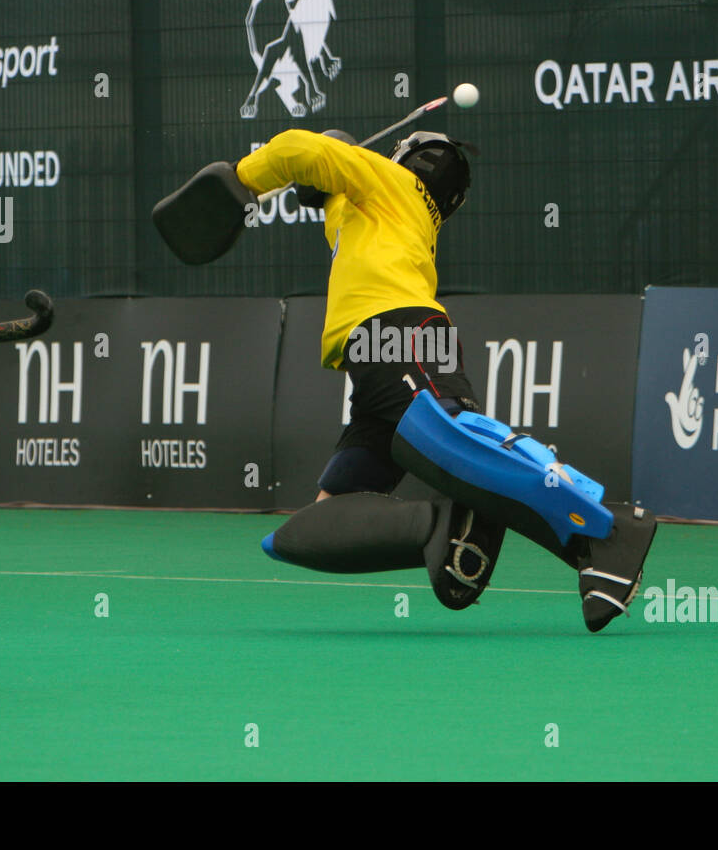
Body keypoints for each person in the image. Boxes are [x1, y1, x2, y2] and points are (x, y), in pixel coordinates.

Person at [235, 128, 654, 630]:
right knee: (316, 525)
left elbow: (300, 150)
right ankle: (442, 525)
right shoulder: (387, 208)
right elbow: (334, 201)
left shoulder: (389, 183)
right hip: (373, 359)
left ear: (401, 161)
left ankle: (605, 533)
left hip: (398, 334)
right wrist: (324, 190)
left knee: (451, 438)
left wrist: (242, 181)